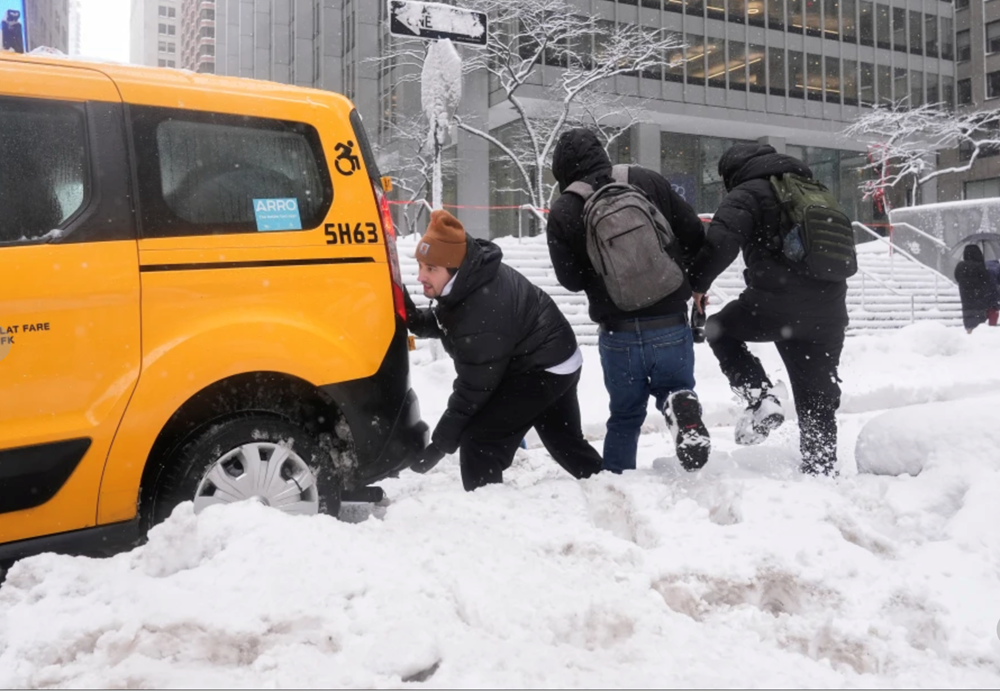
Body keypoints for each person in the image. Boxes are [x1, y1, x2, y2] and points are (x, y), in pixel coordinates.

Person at [546, 127, 711, 474]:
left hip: (617, 330)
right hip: (669, 321)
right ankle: (680, 404)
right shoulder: (647, 180)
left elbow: (570, 281)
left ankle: (619, 484)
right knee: (676, 387)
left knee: (624, 415)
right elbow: (695, 234)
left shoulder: (564, 209)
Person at [404, 209, 603, 491]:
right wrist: (414, 319)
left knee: (480, 443)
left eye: (431, 269)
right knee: (564, 441)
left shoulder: (480, 308)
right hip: (556, 356)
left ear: (454, 269)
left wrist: (439, 446)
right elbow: (450, 322)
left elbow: (473, 390)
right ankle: (606, 484)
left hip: (541, 366)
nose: (421, 276)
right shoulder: (469, 279)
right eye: (421, 266)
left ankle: (489, 509)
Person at [688, 143, 849, 477]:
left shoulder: (748, 191)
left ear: (731, 173)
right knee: (816, 395)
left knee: (719, 328)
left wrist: (698, 284)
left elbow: (721, 242)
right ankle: (821, 469)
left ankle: (761, 396)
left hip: (776, 305)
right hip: (829, 312)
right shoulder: (814, 190)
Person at [954, 244, 1000, 333]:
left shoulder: (960, 267)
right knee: (980, 333)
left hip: (966, 306)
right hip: (980, 307)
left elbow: (957, 278)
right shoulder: (981, 268)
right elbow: (987, 282)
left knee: (970, 331)